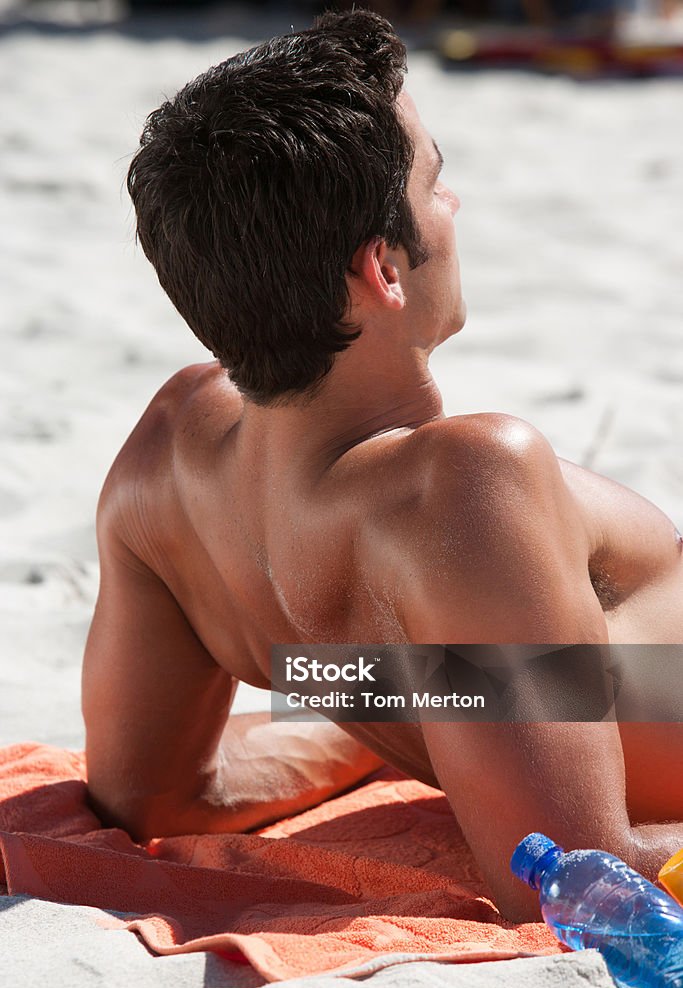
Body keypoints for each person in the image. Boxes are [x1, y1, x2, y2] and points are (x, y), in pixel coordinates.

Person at [81, 8, 683, 922]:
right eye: (435, 181)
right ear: (382, 269)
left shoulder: (168, 459)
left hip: (512, 690)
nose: (454, 205)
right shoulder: (468, 483)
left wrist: (417, 708)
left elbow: (155, 798)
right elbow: (582, 887)